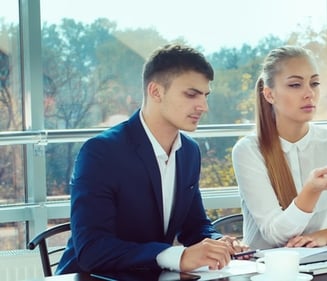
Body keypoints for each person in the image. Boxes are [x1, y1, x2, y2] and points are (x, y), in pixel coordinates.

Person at [56, 44, 248, 275]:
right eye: (191, 94)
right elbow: (92, 250)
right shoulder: (101, 152)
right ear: (156, 91)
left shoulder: (189, 152)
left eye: (205, 95)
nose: (203, 106)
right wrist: (175, 255)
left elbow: (194, 226)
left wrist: (218, 242)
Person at [232, 45, 327, 250]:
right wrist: (312, 189)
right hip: (267, 270)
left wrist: (325, 236)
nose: (309, 93)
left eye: (314, 83)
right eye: (295, 85)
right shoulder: (248, 150)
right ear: (269, 95)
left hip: (326, 263)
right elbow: (275, 235)